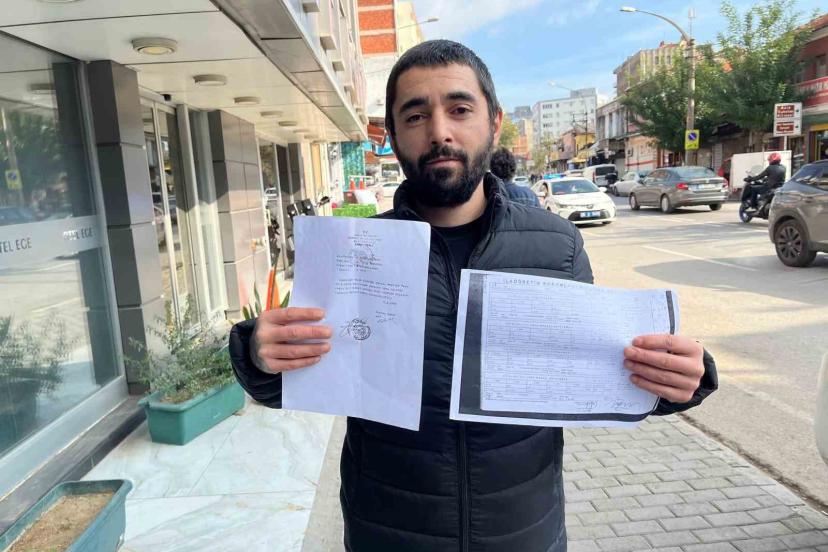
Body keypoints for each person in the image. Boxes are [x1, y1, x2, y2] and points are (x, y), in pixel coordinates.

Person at [229, 40, 718, 552]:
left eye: (459, 109)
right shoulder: (354, 252)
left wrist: (675, 379)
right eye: (415, 116)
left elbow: (596, 370)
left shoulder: (556, 243)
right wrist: (261, 354)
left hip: (525, 532)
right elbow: (297, 379)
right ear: (392, 136)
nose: (439, 131)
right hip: (389, 533)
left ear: (495, 121)